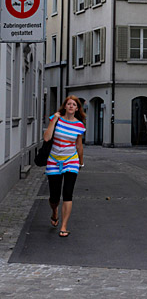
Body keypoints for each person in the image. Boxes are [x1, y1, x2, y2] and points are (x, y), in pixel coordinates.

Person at [44, 95, 86, 237]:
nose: (71, 106)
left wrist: (81, 162)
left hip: (71, 161)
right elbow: (46, 137)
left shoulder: (79, 126)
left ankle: (63, 226)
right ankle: (54, 211)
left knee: (68, 193)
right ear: (65, 106)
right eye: (68, 104)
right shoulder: (56, 120)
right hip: (54, 160)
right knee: (54, 197)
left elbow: (79, 145)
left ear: (77, 108)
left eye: (74, 104)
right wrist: (54, 119)